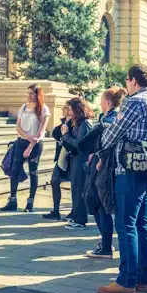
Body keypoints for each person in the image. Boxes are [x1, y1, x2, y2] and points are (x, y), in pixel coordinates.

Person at [97, 64, 147, 293]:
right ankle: (143, 278)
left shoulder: (134, 102)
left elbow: (110, 136)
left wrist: (105, 131)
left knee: (126, 224)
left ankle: (126, 280)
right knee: (143, 224)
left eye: (127, 80)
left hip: (129, 169)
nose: (126, 84)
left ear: (134, 81)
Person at [87, 87, 126, 258]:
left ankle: (106, 245)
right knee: (99, 204)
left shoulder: (110, 120)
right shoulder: (110, 117)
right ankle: (105, 243)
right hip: (102, 165)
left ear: (108, 102)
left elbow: (105, 145)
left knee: (100, 204)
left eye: (102, 100)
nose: (100, 103)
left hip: (103, 167)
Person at [1, 84, 51, 212]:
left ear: (38, 94)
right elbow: (18, 127)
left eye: (32, 93)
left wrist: (30, 146)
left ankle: (30, 203)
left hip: (36, 144)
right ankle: (12, 200)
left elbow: (41, 132)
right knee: (14, 170)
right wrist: (28, 138)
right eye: (28, 93)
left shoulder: (43, 109)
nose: (29, 95)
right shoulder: (23, 107)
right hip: (22, 141)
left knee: (33, 172)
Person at [61, 97, 94, 230]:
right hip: (76, 159)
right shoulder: (78, 122)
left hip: (81, 160)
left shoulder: (84, 123)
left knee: (79, 189)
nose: (69, 112)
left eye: (70, 109)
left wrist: (66, 135)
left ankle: (80, 219)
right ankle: (76, 216)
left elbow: (80, 144)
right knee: (75, 188)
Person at [43, 106, 72, 221]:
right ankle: (55, 211)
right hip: (61, 157)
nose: (62, 109)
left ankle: (74, 211)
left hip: (70, 158)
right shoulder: (64, 122)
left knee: (74, 186)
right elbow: (55, 133)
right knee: (54, 181)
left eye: (65, 107)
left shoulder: (76, 124)